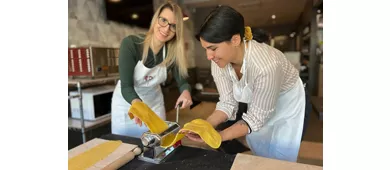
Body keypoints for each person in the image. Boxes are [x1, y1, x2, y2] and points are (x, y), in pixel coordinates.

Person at [186, 5, 306, 162]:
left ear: (235, 40)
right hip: (260, 103)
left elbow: (255, 118)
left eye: (213, 48)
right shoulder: (219, 61)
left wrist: (217, 137)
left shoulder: (266, 65)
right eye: (206, 49)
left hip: (287, 103)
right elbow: (227, 103)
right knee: (260, 145)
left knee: (280, 157)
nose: (209, 56)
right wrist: (205, 127)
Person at [111, 1, 193, 138]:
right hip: (128, 104)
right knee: (125, 147)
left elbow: (183, 82)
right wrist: (138, 106)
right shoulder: (131, 44)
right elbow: (126, 86)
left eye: (173, 26)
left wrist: (185, 92)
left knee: (158, 143)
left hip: (154, 105)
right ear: (156, 19)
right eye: (163, 20)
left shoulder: (172, 53)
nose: (166, 29)